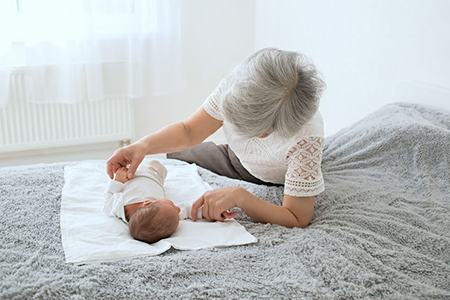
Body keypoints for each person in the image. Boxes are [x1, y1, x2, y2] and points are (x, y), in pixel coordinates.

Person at [107, 48, 326, 229]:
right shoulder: (239, 87)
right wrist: (143, 145)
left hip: (272, 176)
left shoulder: (306, 138)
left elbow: (297, 217)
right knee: (172, 157)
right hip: (233, 158)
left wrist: (240, 197)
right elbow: (189, 131)